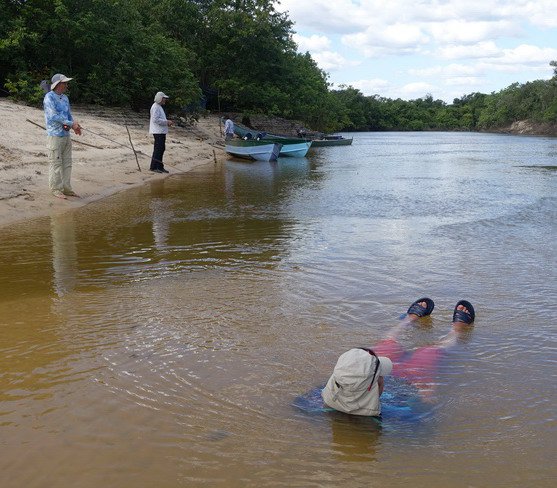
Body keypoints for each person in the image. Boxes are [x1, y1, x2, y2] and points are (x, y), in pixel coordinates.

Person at [321, 298, 475, 416]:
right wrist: (425, 398)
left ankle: (410, 319)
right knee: (430, 351)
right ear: (372, 387)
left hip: (363, 376)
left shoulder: (326, 394)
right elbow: (418, 423)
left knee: (387, 344)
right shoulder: (386, 413)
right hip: (406, 383)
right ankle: (456, 329)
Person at [43, 73, 82, 199]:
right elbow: (52, 116)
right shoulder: (49, 97)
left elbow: (68, 115)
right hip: (54, 135)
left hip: (66, 135)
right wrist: (71, 124)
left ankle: (67, 189)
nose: (66, 85)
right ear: (58, 84)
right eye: (64, 83)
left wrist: (75, 126)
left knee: (67, 163)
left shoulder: (65, 98)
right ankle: (56, 189)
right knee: (56, 163)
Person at [149, 91, 174, 173]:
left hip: (161, 131)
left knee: (161, 149)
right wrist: (166, 122)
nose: (165, 100)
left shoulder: (159, 106)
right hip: (158, 131)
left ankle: (160, 166)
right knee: (158, 149)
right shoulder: (155, 107)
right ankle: (153, 167)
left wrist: (166, 122)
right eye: (164, 98)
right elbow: (155, 120)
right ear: (160, 99)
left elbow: (159, 119)